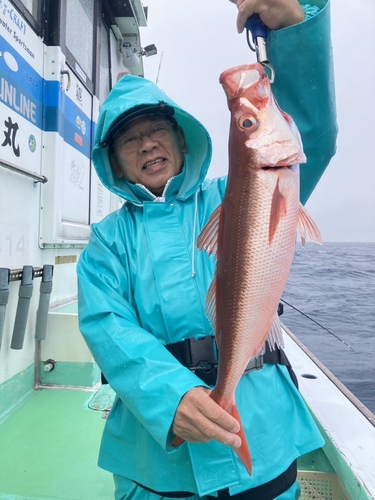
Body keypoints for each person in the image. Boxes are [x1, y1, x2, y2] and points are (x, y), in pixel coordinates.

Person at [77, 0, 338, 499]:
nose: (147, 144)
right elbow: (106, 326)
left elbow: (310, 134)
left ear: (182, 137)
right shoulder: (108, 241)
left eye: (156, 129)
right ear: (112, 163)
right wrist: (169, 395)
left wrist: (295, 28)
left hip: (261, 437)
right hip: (159, 457)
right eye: (128, 140)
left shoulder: (235, 192)